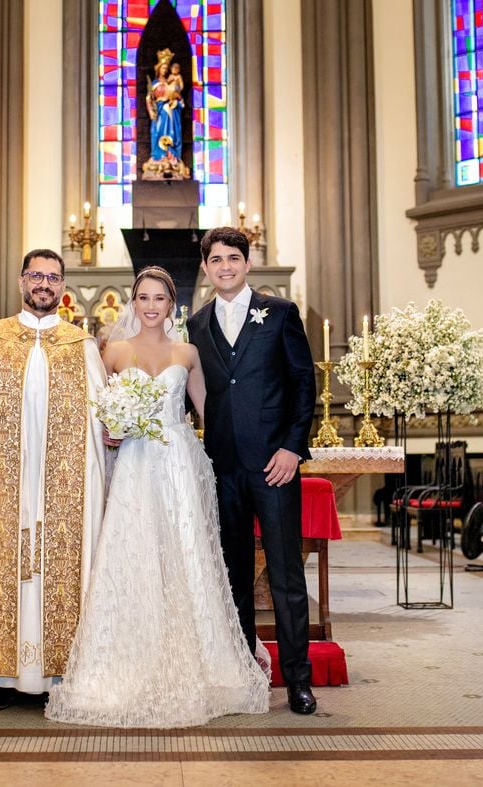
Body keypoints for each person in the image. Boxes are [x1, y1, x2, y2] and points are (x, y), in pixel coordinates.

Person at [46, 267, 269, 728]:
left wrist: (240, 454)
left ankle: (207, 664)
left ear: (171, 304)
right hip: (133, 464)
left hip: (178, 461)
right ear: (133, 302)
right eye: (143, 298)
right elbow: (95, 407)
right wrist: (109, 429)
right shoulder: (113, 351)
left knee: (187, 553)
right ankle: (125, 661)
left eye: (159, 298)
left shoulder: (187, 352)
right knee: (134, 552)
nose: (151, 306)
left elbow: (207, 411)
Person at [0, 249, 107, 710]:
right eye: (36, 275)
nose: (44, 284)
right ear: (21, 281)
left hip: (63, 489)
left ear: (63, 286)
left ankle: (63, 674)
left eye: (53, 277)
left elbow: (99, 425)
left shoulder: (81, 345)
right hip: (3, 486)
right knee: (5, 569)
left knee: (61, 568)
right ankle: (1, 677)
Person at [187, 227, 319, 715]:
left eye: (233, 258)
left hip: (273, 467)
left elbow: (303, 384)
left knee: (285, 576)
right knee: (234, 576)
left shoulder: (280, 313)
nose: (225, 266)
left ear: (247, 263)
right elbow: (195, 392)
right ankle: (245, 673)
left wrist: (292, 449)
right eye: (216, 259)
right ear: (206, 267)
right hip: (223, 468)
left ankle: (298, 680)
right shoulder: (197, 324)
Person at [142, 49, 188, 178]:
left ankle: (171, 157)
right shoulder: (155, 83)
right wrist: (151, 110)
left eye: (166, 68)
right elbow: (149, 98)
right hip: (159, 112)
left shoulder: (171, 82)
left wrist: (177, 102)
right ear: (158, 69)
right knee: (157, 132)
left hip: (170, 112)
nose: (164, 70)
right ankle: (158, 157)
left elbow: (177, 95)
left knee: (171, 133)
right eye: (163, 68)